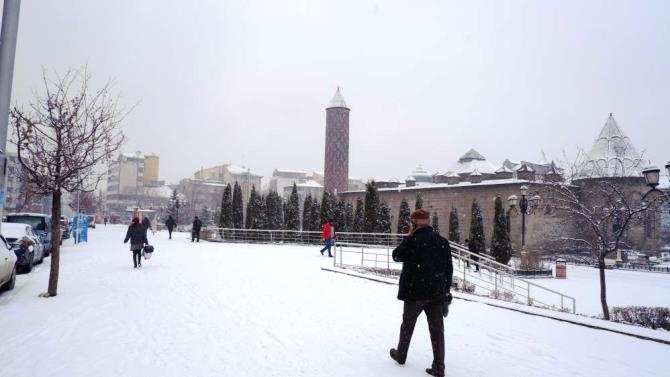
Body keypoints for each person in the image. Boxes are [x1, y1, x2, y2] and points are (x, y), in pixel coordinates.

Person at [389, 209, 453, 377]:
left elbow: (396, 256)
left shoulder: (413, 241)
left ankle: (401, 355)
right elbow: (449, 270)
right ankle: (439, 367)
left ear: (414, 223)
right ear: (429, 222)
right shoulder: (442, 242)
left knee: (407, 325)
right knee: (437, 330)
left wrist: (408, 238)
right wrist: (445, 292)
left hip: (414, 293)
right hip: (436, 294)